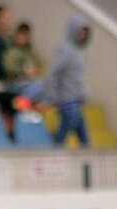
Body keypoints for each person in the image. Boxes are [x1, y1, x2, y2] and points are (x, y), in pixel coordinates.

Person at [44, 13, 89, 147]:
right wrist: (53, 97)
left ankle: (86, 163)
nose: (83, 36)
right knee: (63, 135)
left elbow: (77, 78)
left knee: (85, 140)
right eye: (80, 32)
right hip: (67, 102)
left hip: (76, 101)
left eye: (85, 33)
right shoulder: (65, 50)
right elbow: (53, 74)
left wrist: (83, 94)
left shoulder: (78, 52)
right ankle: (53, 151)